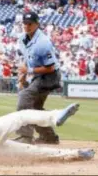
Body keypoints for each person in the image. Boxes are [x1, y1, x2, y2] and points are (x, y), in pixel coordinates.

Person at [15, 11, 62, 144]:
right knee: (35, 108)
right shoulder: (23, 38)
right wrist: (23, 76)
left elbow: (51, 67)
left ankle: (25, 136)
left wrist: (28, 70)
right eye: (25, 23)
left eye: (30, 23)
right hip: (39, 75)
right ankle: (49, 137)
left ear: (37, 24)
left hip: (50, 76)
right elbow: (26, 58)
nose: (27, 26)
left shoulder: (43, 42)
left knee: (25, 97)